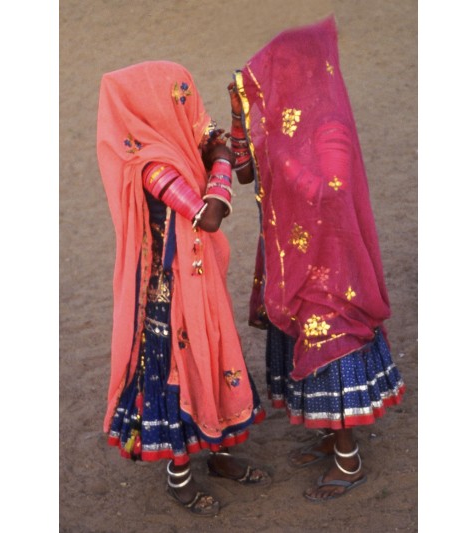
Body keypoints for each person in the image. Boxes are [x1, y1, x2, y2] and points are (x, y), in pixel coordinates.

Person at [227, 16, 406, 502]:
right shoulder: (290, 121)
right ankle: (330, 438)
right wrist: (242, 121)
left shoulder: (327, 122)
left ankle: (349, 461)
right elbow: (245, 176)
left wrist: (283, 161)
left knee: (329, 346)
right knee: (301, 345)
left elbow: (334, 191)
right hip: (297, 259)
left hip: (330, 268)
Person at [96, 61, 269, 517]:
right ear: (154, 109)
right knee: (176, 373)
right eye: (178, 98)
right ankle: (180, 478)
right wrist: (222, 166)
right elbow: (208, 215)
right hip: (168, 299)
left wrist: (218, 152)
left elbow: (212, 137)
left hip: (198, 281)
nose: (188, 105)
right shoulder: (151, 165)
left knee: (212, 356)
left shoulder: (174, 143)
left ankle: (219, 455)